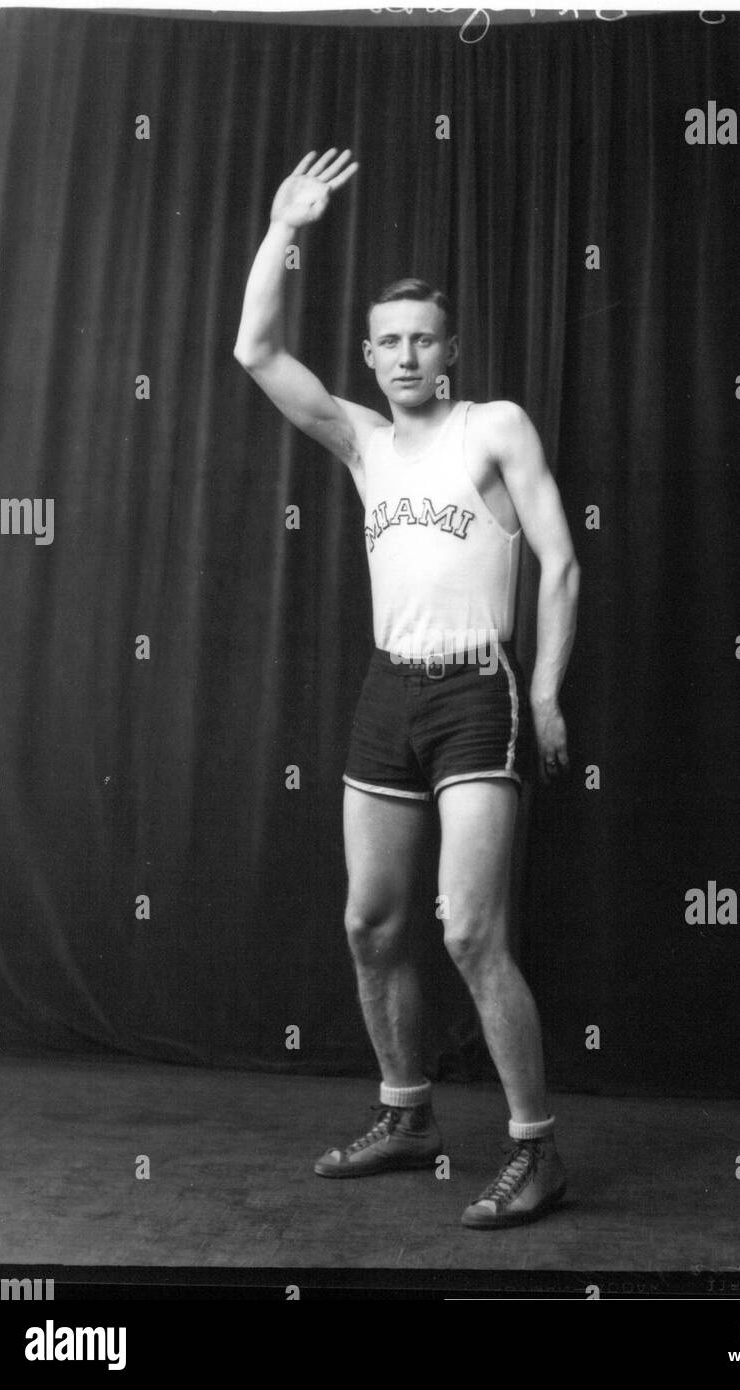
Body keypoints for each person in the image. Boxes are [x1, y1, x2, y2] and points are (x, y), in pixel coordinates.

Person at [234, 149, 580, 1229]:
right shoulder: (363, 441)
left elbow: (561, 563)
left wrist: (549, 691)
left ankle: (536, 1149)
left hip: (479, 692)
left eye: (422, 336)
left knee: (469, 929)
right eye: (386, 340)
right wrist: (287, 226)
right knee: (371, 921)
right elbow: (254, 348)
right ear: (369, 355)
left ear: (450, 347)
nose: (404, 354)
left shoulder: (494, 425)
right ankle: (407, 1113)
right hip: (388, 694)